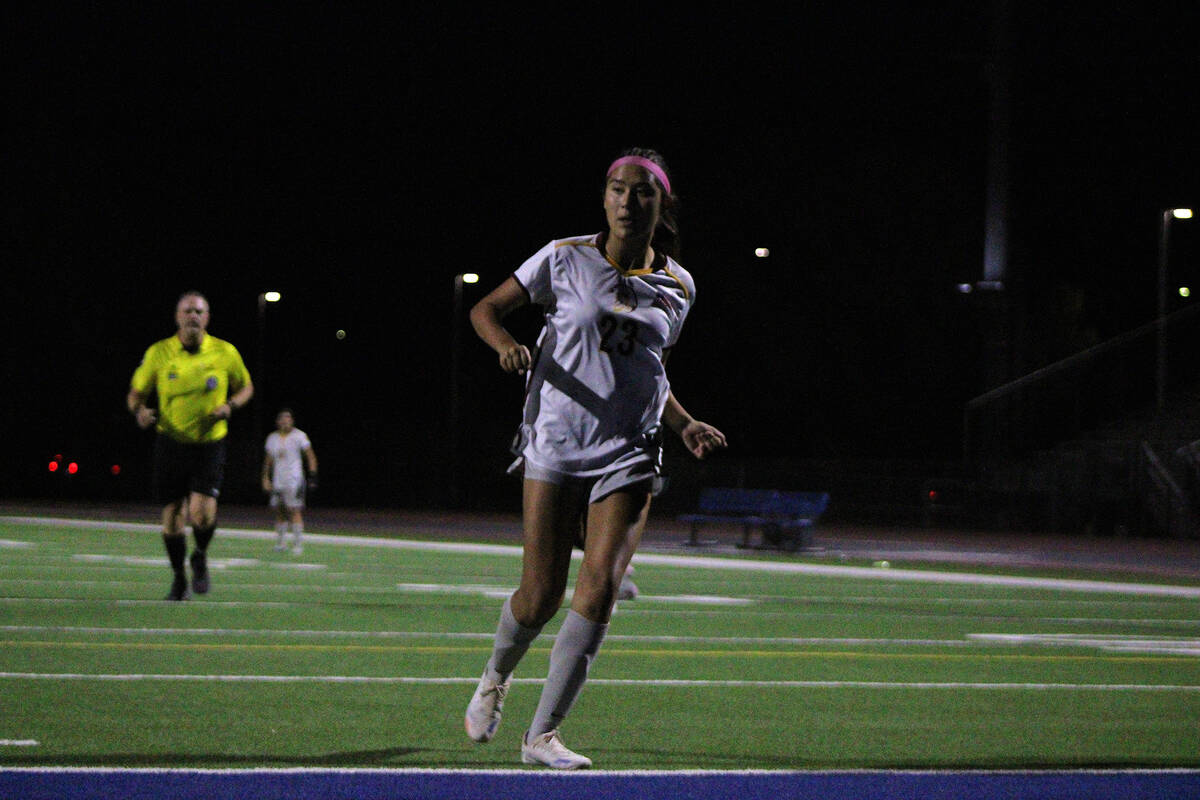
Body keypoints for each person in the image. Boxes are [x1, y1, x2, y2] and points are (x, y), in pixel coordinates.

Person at [463, 148, 726, 769]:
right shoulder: (563, 257)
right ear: (603, 198)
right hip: (557, 439)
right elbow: (485, 309)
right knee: (540, 593)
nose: (627, 202)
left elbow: (648, 373)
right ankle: (495, 677)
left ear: (662, 206)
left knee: (602, 583)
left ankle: (542, 736)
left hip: (631, 448)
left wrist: (683, 423)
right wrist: (505, 344)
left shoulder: (680, 286)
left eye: (641, 193)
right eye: (616, 189)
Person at [127, 291, 253, 601]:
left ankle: (199, 555)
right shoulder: (159, 352)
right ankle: (178, 578)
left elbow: (246, 387)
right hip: (170, 443)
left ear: (207, 317)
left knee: (202, 515)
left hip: (209, 444)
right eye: (188, 311)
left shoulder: (225, 352)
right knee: (172, 518)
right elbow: (135, 393)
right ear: (177, 316)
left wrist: (231, 406)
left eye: (199, 311)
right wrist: (139, 411)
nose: (193, 316)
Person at [261, 408, 319, 554]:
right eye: (282, 418)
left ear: (292, 420)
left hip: (294, 479)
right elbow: (268, 461)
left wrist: (312, 475)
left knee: (294, 510)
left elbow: (310, 456)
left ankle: (298, 544)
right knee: (280, 510)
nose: (285, 421)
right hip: (278, 480)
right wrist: (265, 478)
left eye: (288, 418)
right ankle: (280, 543)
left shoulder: (300, 436)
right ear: (277, 421)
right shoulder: (272, 438)